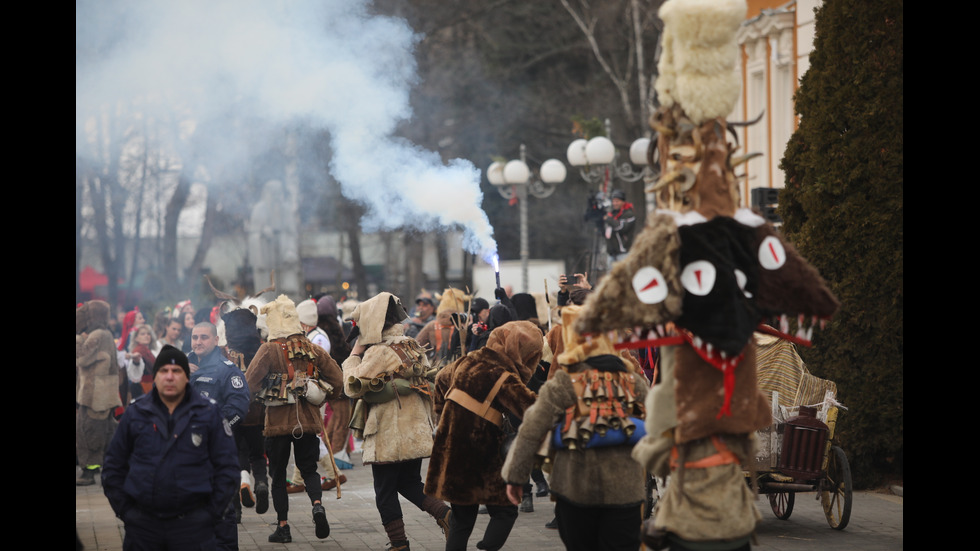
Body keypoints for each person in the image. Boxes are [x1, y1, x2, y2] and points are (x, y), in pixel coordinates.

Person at [502, 306, 649, 551]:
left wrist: (516, 477)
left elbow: (531, 430)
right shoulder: (633, 381)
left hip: (575, 489)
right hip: (626, 490)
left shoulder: (563, 383)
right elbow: (660, 426)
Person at [343, 292, 452, 551]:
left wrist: (355, 354)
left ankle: (399, 544)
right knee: (409, 483)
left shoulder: (379, 352)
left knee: (385, 491)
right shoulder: (412, 346)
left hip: (388, 435)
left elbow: (351, 386)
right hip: (415, 432)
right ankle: (447, 515)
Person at [102, 345, 239, 550]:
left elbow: (227, 468)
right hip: (143, 528)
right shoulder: (135, 414)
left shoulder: (208, 413)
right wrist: (127, 512)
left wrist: (210, 514)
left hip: (193, 528)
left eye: (176, 371)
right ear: (155, 376)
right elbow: (113, 467)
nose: (169, 377)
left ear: (186, 376)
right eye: (163, 371)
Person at [425, 321, 543, 551]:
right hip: (483, 456)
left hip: (450, 449)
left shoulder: (467, 360)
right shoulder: (504, 376)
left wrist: (443, 411)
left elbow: (440, 379)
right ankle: (487, 547)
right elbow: (533, 410)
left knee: (461, 520)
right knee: (506, 511)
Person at [245, 294, 345, 543]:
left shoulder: (268, 349)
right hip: (308, 422)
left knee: (278, 477)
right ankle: (318, 506)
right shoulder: (312, 347)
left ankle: (283, 527)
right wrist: (322, 396)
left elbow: (249, 383)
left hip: (277, 424)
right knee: (309, 470)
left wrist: (258, 396)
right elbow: (338, 381)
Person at [188, 321, 250, 549]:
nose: (198, 342)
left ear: (216, 340)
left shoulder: (227, 370)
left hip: (214, 455)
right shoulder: (180, 367)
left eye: (204, 337)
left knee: (221, 512)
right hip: (184, 455)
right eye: (195, 337)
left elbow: (238, 409)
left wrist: (212, 432)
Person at [76, 300, 123, 486]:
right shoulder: (106, 334)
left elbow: (82, 358)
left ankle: (89, 472)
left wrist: (78, 338)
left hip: (95, 395)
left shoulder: (96, 335)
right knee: (106, 431)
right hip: (102, 393)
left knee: (89, 432)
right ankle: (116, 467)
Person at [604, 189, 636, 267]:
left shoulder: (629, 214)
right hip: (611, 254)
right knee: (610, 278)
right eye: (613, 201)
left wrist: (609, 219)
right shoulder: (612, 213)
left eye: (617, 201)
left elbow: (621, 228)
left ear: (623, 201)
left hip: (623, 253)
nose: (614, 203)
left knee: (623, 277)